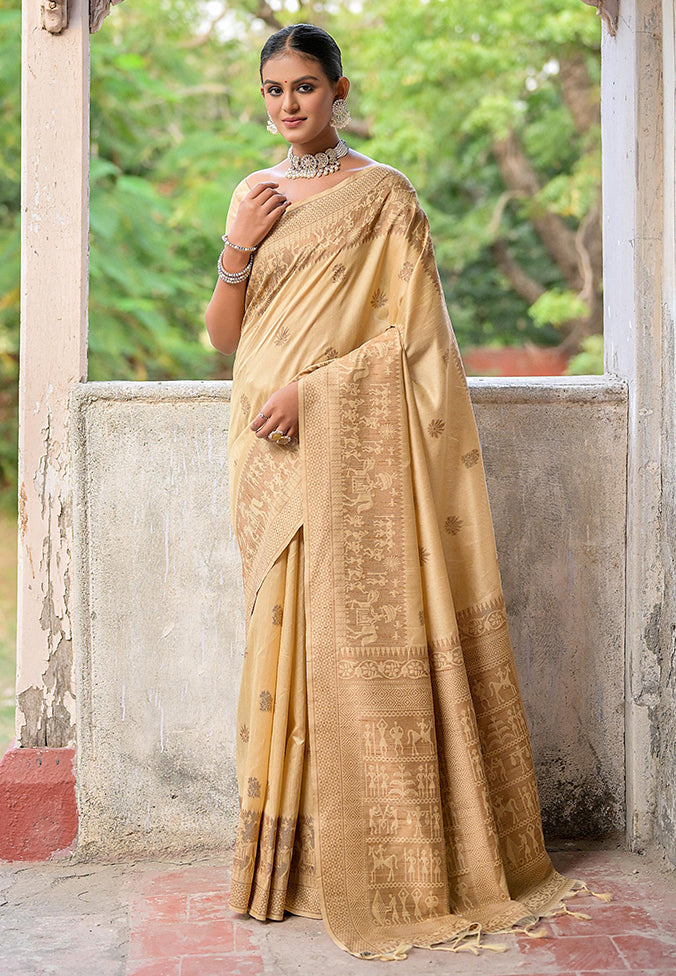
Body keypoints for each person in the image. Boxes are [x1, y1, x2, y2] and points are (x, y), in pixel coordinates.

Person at [205, 22, 599, 962]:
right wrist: (235, 243)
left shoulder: (384, 198)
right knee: (281, 657)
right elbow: (224, 338)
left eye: (305, 87)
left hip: (339, 442)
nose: (288, 106)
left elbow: (416, 346)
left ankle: (382, 856)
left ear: (341, 90)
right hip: (263, 461)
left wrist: (318, 393)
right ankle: (285, 865)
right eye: (273, 91)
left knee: (348, 648)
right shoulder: (253, 195)